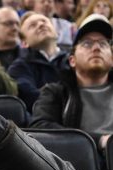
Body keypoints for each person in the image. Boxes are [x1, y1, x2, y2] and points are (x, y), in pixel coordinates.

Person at [31, 15, 113, 156]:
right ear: (72, 61)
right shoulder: (56, 92)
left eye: (103, 43)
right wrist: (99, 140)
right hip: (78, 163)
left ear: (112, 60)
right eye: (87, 43)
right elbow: (40, 127)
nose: (96, 48)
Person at [8, 12, 69, 112]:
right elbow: (31, 100)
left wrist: (46, 90)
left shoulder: (74, 60)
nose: (41, 24)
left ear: (56, 32)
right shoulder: (18, 68)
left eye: (44, 21)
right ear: (24, 42)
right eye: (32, 25)